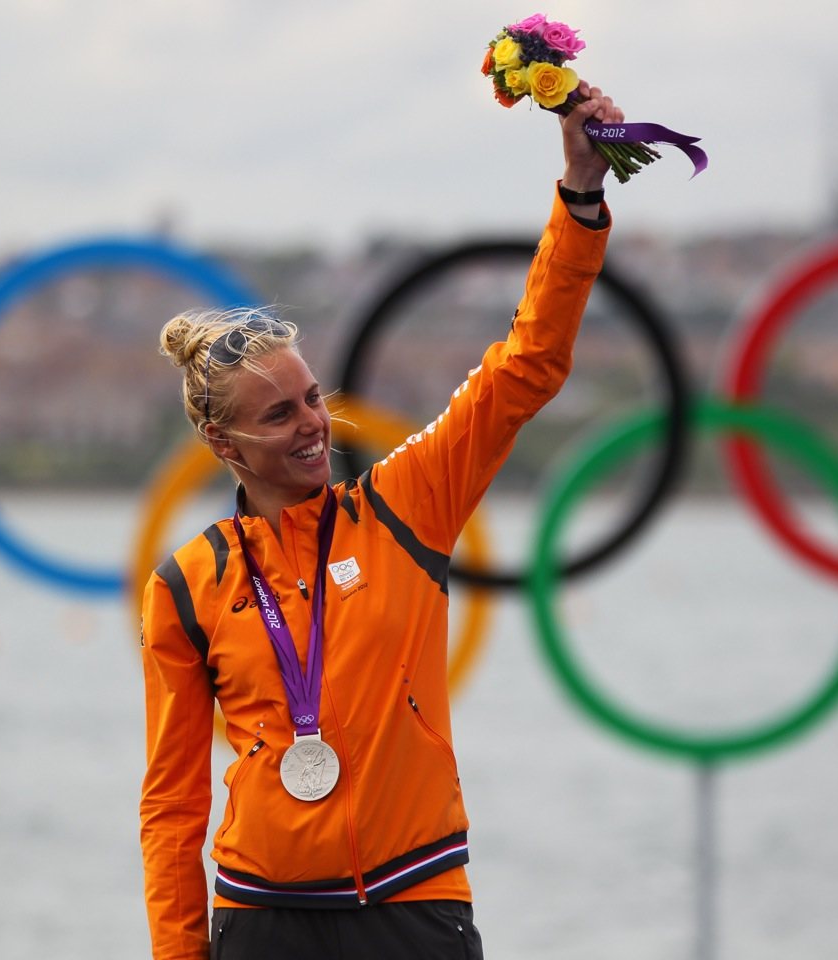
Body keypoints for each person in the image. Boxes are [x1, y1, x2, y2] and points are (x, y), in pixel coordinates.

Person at [140, 81, 622, 960]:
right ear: (222, 441)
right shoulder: (185, 586)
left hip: (413, 902)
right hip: (260, 918)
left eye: (311, 398)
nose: (312, 424)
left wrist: (580, 198)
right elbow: (172, 803)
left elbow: (525, 369)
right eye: (278, 415)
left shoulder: (404, 507)